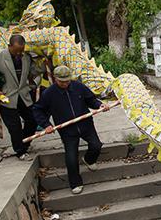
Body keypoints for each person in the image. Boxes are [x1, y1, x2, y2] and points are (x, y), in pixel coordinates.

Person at [31, 66, 109, 194]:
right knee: (71, 157)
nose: (65, 84)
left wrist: (99, 105)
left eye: (67, 81)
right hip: (67, 130)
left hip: (85, 124)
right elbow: (38, 109)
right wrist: (46, 125)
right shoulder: (49, 93)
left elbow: (91, 100)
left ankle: (89, 159)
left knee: (96, 145)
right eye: (62, 81)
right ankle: (75, 183)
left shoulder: (78, 87)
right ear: (55, 79)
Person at [0, 34, 39, 159]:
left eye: (21, 51)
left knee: (33, 120)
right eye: (16, 51)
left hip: (24, 95)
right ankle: (20, 151)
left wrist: (41, 65)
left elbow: (34, 72)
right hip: (6, 96)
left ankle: (24, 143)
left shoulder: (27, 57)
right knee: (14, 126)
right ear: (9, 46)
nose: (19, 54)